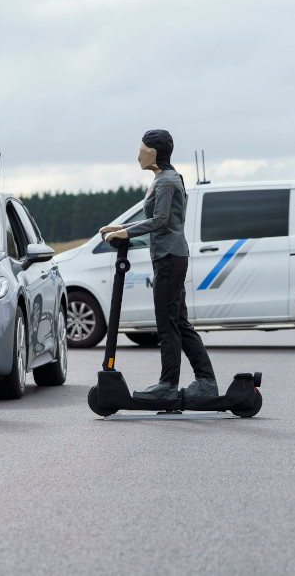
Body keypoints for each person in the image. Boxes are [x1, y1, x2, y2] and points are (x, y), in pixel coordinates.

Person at [100, 129, 218, 400]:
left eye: (141, 149)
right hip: (171, 257)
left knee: (167, 323)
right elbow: (158, 218)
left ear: (153, 152)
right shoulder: (165, 178)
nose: (138, 154)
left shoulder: (165, 181)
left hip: (169, 259)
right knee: (179, 322)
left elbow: (161, 220)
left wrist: (126, 233)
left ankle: (168, 385)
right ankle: (206, 382)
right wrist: (122, 226)